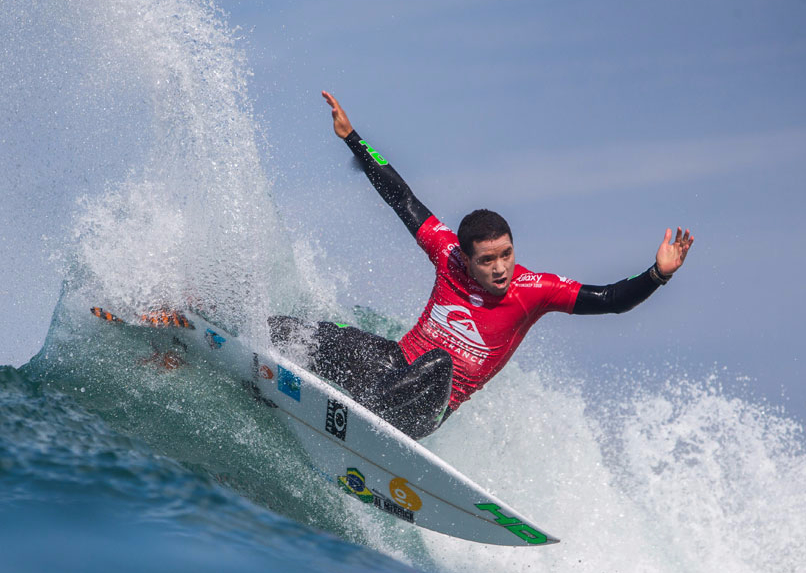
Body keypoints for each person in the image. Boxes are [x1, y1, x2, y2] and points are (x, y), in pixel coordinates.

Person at [269, 91, 694, 440]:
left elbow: (611, 299)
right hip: (393, 369)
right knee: (315, 335)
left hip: (425, 406)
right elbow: (401, 197)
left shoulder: (534, 290)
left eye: (506, 254)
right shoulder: (447, 254)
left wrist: (658, 274)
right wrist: (352, 138)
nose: (500, 268)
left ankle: (355, 420)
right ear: (467, 259)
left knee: (439, 364)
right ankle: (243, 344)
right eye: (487, 260)